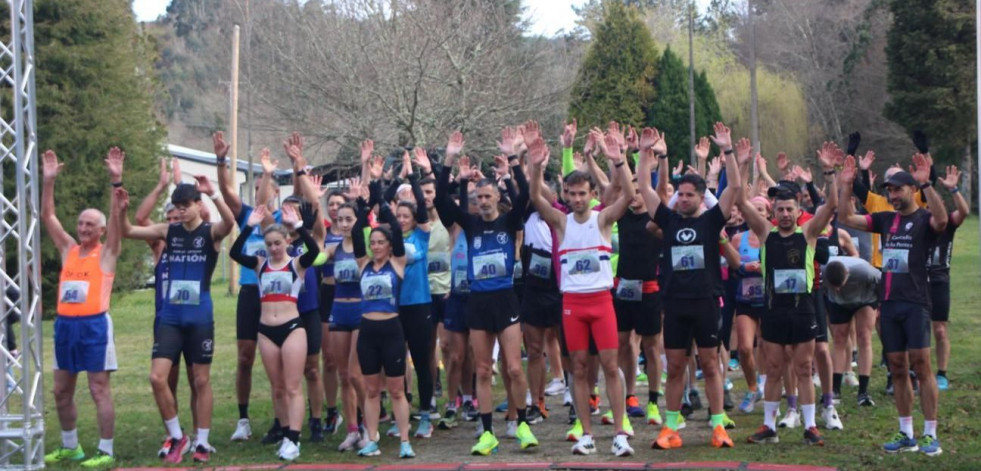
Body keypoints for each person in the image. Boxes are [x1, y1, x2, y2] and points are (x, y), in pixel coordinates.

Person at [528, 130, 635, 456]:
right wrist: (535, 168)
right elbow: (535, 198)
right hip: (572, 303)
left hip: (601, 301)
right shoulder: (560, 222)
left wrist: (619, 160)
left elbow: (628, 197)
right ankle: (586, 433)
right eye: (570, 193)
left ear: (592, 194)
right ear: (565, 193)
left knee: (610, 365)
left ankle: (620, 432)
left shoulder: (603, 219)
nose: (576, 199)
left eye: (581, 194)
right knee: (577, 367)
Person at [434, 130, 539, 455]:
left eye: (487, 197)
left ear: (496, 197)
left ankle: (521, 422)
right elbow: (440, 201)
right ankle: (487, 431)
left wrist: (512, 163)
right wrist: (449, 160)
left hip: (505, 299)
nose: (482, 202)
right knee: (482, 369)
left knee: (513, 367)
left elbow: (526, 197)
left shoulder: (509, 223)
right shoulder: (470, 224)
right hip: (478, 303)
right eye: (478, 198)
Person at [119, 175, 234, 463]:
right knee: (157, 378)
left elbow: (229, 224)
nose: (181, 211)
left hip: (200, 317)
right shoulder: (169, 231)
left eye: (186, 205)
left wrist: (215, 194)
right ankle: (177, 436)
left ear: (198, 205)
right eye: (177, 206)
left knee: (201, 380)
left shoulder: (209, 233)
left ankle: (203, 443)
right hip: (170, 317)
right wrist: (120, 209)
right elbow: (128, 231)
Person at [639, 124, 740, 450]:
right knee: (677, 367)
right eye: (679, 195)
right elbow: (644, 187)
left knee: (711, 364)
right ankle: (670, 429)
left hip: (706, 302)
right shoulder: (667, 221)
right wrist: (642, 154)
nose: (682, 200)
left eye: (688, 195)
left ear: (700, 198)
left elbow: (734, 187)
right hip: (675, 303)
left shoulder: (711, 220)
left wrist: (727, 151)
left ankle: (717, 425)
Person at [839, 152, 947, 456]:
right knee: (898, 367)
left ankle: (930, 433)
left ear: (911, 190)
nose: (892, 195)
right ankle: (906, 432)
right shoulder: (886, 220)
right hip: (888, 304)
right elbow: (847, 218)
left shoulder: (924, 219)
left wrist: (928, 186)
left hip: (916, 303)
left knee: (922, 366)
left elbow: (941, 220)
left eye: (898, 189)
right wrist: (847, 185)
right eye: (889, 191)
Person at [743, 142, 839, 447]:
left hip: (803, 309)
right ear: (773, 211)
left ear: (798, 212)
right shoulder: (764, 232)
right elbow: (740, 201)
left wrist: (828, 171)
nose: (784, 214)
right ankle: (769, 425)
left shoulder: (808, 233)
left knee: (802, 367)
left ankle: (810, 426)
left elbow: (832, 204)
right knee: (772, 369)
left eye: (789, 210)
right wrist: (741, 164)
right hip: (773, 309)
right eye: (780, 209)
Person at [42, 149, 124, 469]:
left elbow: (117, 219)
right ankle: (70, 446)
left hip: (94, 327)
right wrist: (49, 182)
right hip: (66, 326)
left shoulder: (107, 253)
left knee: (98, 388)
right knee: (61, 390)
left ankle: (105, 449)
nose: (83, 228)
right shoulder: (69, 250)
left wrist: (116, 180)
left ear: (100, 230)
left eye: (90, 224)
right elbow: (48, 217)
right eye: (80, 223)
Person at [230, 202, 320, 461]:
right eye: (269, 244)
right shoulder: (260, 265)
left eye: (277, 243)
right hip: (266, 330)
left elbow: (313, 250)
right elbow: (235, 253)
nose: (273, 248)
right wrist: (248, 227)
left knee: (293, 386)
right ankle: (283, 432)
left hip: (292, 328)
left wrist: (300, 227)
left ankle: (294, 438)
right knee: (277, 386)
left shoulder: (297, 264)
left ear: (286, 242)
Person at [213, 132, 284, 443]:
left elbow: (263, 211)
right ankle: (243, 420)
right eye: (256, 190)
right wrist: (220, 161)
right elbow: (226, 191)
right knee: (245, 357)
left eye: (264, 190)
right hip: (249, 293)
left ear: (275, 194)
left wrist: (267, 174)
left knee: (275, 360)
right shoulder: (245, 215)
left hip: (275, 295)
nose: (259, 195)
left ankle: (280, 418)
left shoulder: (280, 219)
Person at [351, 186, 416, 459]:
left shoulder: (398, 262)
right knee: (371, 390)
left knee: (397, 390)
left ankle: (404, 440)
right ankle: (372, 439)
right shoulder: (363, 263)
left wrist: (380, 199)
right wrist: (364, 207)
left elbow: (398, 233)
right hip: (368, 331)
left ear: (389, 245)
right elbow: (356, 234)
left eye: (380, 242)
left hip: (391, 330)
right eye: (373, 242)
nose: (375, 246)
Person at [928, 165, 967, 391]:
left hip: (940, 280)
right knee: (918, 328)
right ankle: (917, 370)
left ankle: (942, 374)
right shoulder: (923, 223)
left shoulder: (949, 226)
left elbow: (963, 213)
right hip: (919, 281)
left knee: (940, 329)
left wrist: (953, 191)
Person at [824, 255, 880, 407]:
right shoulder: (823, 269)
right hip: (838, 302)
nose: (838, 289)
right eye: (834, 286)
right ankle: (835, 389)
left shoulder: (865, 272)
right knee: (839, 339)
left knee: (864, 338)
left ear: (847, 274)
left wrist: (880, 307)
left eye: (840, 285)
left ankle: (863, 391)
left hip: (865, 299)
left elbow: (882, 284)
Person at [731, 196, 769, 414]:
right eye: (753, 209)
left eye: (761, 210)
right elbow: (733, 268)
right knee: (745, 348)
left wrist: (763, 268)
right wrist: (746, 268)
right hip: (745, 298)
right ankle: (752, 387)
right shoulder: (738, 239)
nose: (757, 213)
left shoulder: (772, 237)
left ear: (767, 214)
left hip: (767, 299)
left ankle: (765, 385)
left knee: (767, 345)